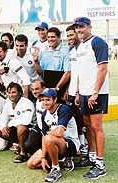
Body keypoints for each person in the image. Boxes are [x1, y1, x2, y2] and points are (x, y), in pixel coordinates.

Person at [73, 17, 109, 179]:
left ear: (89, 26)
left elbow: (102, 69)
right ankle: (92, 157)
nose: (79, 29)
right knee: (87, 125)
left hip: (96, 93)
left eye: (81, 26)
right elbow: (81, 71)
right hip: (84, 93)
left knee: (96, 127)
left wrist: (95, 92)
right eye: (77, 27)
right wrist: (79, 92)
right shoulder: (81, 45)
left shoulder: (98, 42)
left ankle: (100, 165)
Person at [27, 88, 80, 182]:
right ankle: (60, 161)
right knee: (31, 164)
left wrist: (47, 134)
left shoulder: (63, 109)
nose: (44, 102)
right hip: (52, 141)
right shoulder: (44, 114)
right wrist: (43, 157)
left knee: (49, 138)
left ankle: (55, 169)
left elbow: (59, 132)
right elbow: (44, 136)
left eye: (48, 99)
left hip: (70, 144)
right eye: (42, 100)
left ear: (55, 99)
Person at [65, 25, 88, 161]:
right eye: (67, 35)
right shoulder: (71, 50)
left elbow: (83, 73)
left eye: (71, 35)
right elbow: (73, 72)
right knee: (76, 121)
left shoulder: (84, 49)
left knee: (84, 121)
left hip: (82, 91)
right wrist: (69, 88)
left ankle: (86, 148)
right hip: (73, 91)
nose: (70, 38)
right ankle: (80, 146)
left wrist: (79, 92)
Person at [0, 82, 34, 163]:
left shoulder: (26, 102)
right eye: (9, 92)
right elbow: (3, 117)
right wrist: (3, 127)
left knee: (21, 128)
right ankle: (20, 146)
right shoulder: (8, 103)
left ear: (20, 93)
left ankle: (23, 153)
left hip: (31, 131)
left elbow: (27, 120)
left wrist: (9, 124)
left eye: (13, 92)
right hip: (17, 129)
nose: (11, 95)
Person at [33, 27, 71, 101]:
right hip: (47, 87)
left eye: (53, 37)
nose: (50, 39)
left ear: (59, 37)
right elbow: (40, 72)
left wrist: (57, 88)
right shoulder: (44, 52)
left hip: (60, 87)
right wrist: (36, 62)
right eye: (49, 37)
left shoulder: (65, 51)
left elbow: (68, 73)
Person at [24, 79, 45, 156]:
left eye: (37, 89)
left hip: (50, 131)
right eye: (32, 89)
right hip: (39, 128)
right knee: (28, 146)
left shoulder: (49, 101)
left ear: (43, 88)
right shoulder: (37, 99)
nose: (34, 92)